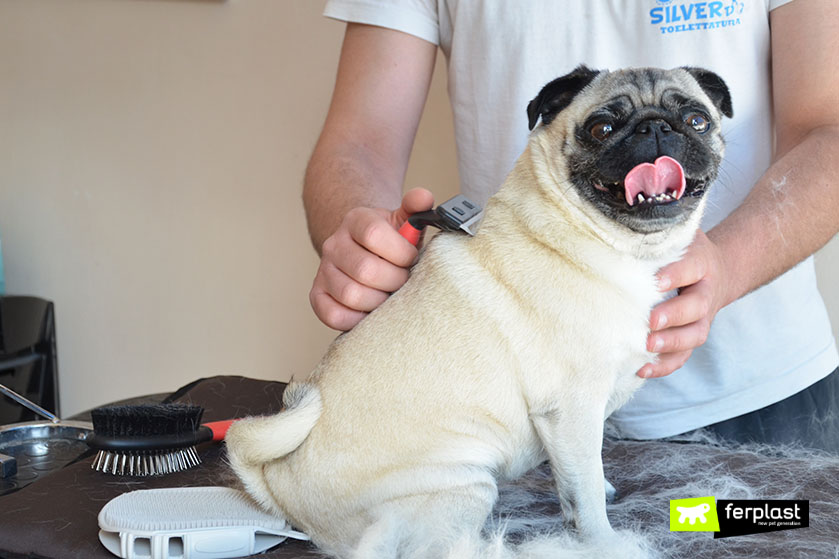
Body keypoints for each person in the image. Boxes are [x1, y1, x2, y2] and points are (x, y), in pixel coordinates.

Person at [302, 1, 839, 451]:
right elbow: (358, 143)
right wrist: (360, 239)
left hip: (756, 401)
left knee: (742, 534)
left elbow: (830, 129)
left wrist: (727, 266)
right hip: (506, 408)